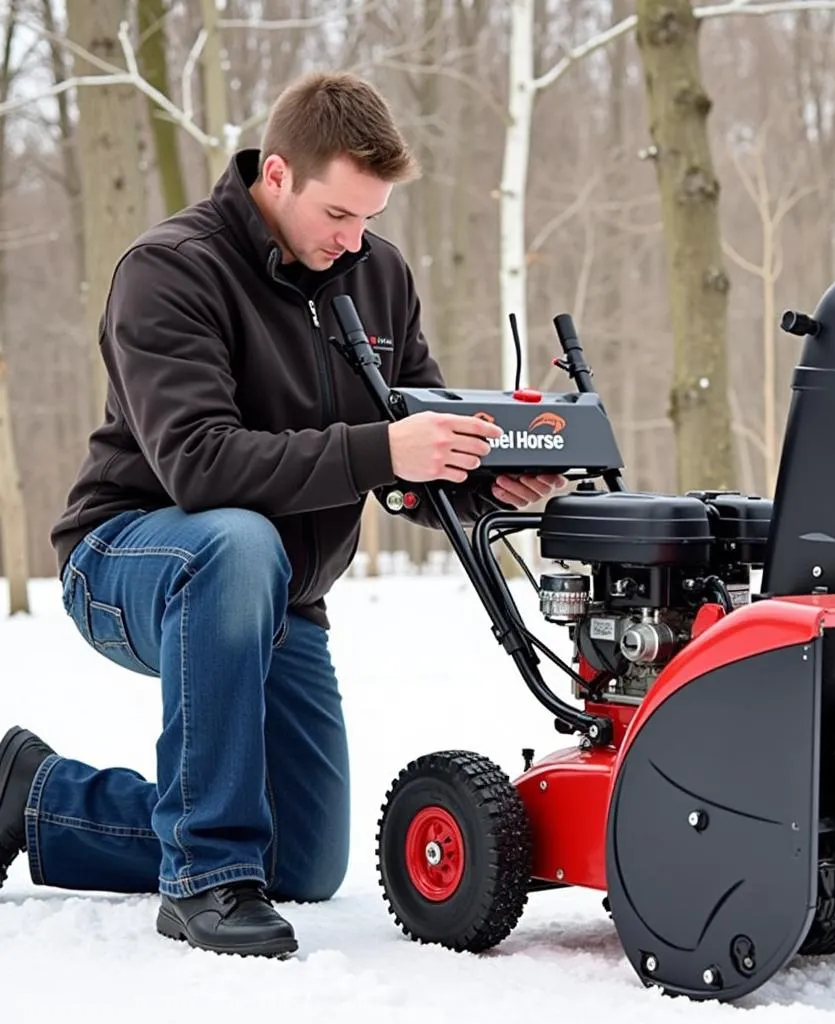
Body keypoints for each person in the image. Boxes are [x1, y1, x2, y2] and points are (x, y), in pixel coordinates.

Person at [0, 71, 565, 958]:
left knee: (301, 860)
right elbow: (199, 464)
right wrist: (388, 450)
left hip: (280, 597)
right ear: (275, 175)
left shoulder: (375, 276)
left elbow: (404, 445)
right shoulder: (170, 271)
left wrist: (477, 479)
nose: (354, 241)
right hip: (132, 560)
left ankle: (33, 797)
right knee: (234, 539)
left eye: (370, 219)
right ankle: (204, 881)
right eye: (338, 215)